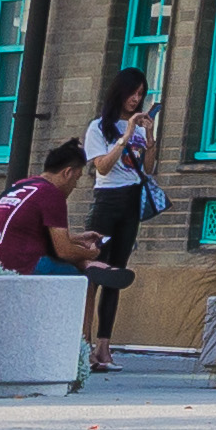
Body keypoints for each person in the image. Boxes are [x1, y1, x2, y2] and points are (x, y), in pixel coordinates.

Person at [72, 73, 160, 300]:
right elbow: (102, 167)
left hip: (132, 199)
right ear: (120, 92)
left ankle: (105, 326)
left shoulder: (140, 128)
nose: (135, 99)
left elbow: (148, 169)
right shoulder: (99, 126)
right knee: (97, 266)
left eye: (140, 94)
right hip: (108, 199)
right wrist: (126, 135)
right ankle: (84, 322)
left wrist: (149, 137)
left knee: (118, 271)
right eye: (132, 93)